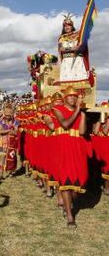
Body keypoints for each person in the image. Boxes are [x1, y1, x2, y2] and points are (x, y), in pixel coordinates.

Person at [53, 86, 90, 227]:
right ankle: (70, 216)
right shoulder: (58, 110)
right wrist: (78, 110)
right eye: (70, 96)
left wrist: (84, 114)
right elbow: (66, 124)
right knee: (65, 183)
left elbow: (81, 132)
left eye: (75, 96)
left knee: (78, 183)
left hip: (77, 149)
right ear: (65, 98)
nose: (73, 98)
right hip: (63, 150)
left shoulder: (79, 112)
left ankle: (68, 204)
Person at [58, 15, 89, 83]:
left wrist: (80, 45)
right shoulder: (61, 38)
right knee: (66, 84)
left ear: (72, 26)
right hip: (66, 62)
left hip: (77, 61)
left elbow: (82, 47)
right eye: (65, 26)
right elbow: (61, 49)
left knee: (79, 83)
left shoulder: (78, 35)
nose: (67, 27)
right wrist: (73, 48)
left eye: (69, 25)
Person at [0, 106, 19, 180]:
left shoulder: (16, 121)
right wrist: (9, 131)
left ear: (12, 115)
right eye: (6, 115)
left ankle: (11, 171)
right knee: (2, 158)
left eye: (9, 115)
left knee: (12, 157)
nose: (7, 117)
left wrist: (8, 131)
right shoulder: (2, 121)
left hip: (12, 143)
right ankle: (0, 174)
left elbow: (16, 132)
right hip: (3, 142)